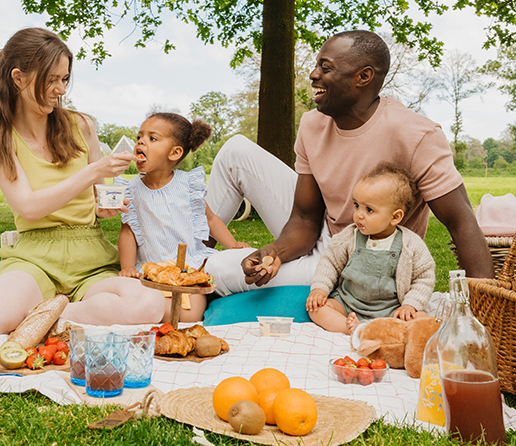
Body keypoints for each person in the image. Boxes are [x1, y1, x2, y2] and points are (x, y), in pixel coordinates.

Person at [205, 30, 493, 295]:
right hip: (325, 235)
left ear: (363, 77)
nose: (313, 74)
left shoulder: (416, 135)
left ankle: (195, 271)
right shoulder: (312, 125)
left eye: (325, 68)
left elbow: (461, 222)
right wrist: (274, 252)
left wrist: (484, 310)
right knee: (235, 151)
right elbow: (305, 219)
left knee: (215, 270)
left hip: (366, 258)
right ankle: (186, 260)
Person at [0, 28, 165, 334]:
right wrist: (93, 171)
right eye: (51, 79)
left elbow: (100, 198)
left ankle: (46, 315)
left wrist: (105, 207)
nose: (60, 89)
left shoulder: (81, 125)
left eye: (65, 79)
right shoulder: (0, 134)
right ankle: (55, 312)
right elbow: (29, 208)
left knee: (149, 304)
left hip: (90, 255)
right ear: (18, 78)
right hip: (36, 257)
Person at [117, 112, 251, 321]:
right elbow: (128, 232)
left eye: (152, 138)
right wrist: (126, 268)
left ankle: (156, 312)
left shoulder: (186, 185)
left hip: (188, 266)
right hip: (151, 268)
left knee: (190, 313)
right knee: (133, 293)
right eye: (139, 137)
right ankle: (148, 309)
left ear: (174, 153)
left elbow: (211, 220)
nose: (141, 142)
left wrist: (232, 245)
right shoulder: (131, 189)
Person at [306, 163, 435, 334]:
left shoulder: (411, 244)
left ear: (395, 217)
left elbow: (423, 278)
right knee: (317, 309)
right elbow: (330, 262)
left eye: (369, 210)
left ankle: (380, 328)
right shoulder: (349, 236)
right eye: (356, 205)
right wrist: (320, 288)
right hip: (347, 303)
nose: (359, 214)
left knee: (421, 320)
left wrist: (410, 305)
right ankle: (352, 328)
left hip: (391, 309)